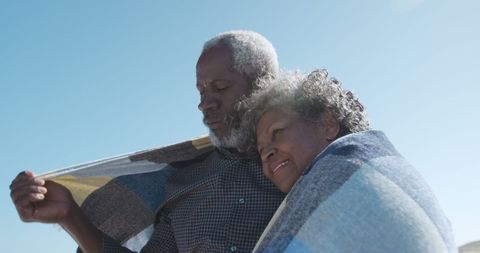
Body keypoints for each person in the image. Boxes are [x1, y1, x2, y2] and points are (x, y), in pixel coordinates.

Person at [9, 30, 285, 253]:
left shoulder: (311, 159)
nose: (204, 104)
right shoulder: (185, 183)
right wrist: (69, 215)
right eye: (200, 91)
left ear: (265, 84)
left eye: (220, 88)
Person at [241, 70, 458, 252]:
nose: (267, 152)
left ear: (327, 124)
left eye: (277, 132)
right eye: (260, 150)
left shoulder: (341, 174)